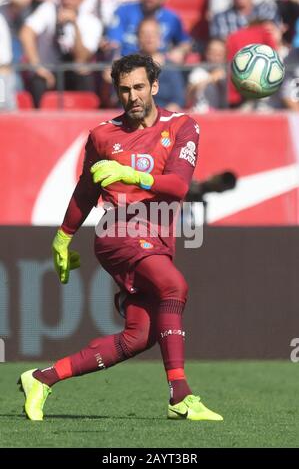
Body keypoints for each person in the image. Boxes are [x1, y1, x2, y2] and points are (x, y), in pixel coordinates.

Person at [18, 54, 223, 423]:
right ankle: (180, 395)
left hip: (157, 236)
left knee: (139, 335)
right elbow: (85, 191)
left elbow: (177, 186)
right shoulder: (102, 135)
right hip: (118, 232)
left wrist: (130, 172)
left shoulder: (183, 127)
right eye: (124, 89)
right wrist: (63, 237)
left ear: (155, 86)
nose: (133, 96)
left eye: (140, 87)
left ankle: (41, 378)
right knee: (173, 286)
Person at [19, 0, 103, 107]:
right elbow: (26, 33)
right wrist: (37, 67)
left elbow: (81, 58)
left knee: (84, 75)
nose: (67, 1)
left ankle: (87, 116)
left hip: (73, 72)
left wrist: (74, 25)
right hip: (49, 72)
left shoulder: (91, 21)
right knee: (38, 81)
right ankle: (37, 117)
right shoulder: (48, 9)